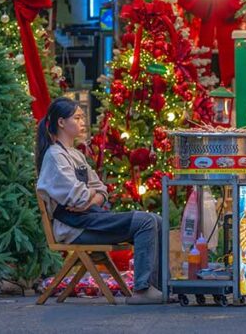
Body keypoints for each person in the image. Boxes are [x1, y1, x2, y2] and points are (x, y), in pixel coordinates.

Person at [35, 97, 164, 305]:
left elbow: (100, 190)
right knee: (146, 222)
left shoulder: (75, 154)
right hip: (74, 227)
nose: (82, 121)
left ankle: (158, 287)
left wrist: (91, 199)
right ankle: (142, 289)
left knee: (157, 220)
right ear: (61, 122)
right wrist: (89, 198)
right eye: (76, 117)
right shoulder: (55, 157)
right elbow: (78, 198)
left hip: (88, 217)